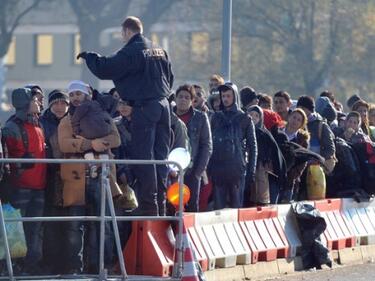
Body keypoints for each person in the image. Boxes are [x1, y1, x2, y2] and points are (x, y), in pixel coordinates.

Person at [78, 16, 173, 216]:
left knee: (144, 158)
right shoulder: (160, 49)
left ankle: (150, 208)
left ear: (126, 32)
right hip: (164, 107)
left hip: (145, 109)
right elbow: (169, 78)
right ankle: (162, 206)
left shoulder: (131, 51)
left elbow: (106, 68)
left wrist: (89, 57)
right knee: (161, 158)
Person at [57, 83, 121, 273]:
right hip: (77, 179)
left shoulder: (103, 115)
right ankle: (74, 269)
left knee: (104, 226)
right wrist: (90, 144)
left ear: (88, 95)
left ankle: (102, 267)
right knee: (75, 227)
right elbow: (64, 144)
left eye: (79, 93)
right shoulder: (67, 121)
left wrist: (101, 143)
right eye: (72, 94)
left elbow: (116, 139)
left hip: (103, 178)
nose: (75, 97)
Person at [2, 88, 46, 274]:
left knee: (34, 227)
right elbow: (6, 157)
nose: (38, 103)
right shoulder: (12, 128)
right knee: (16, 229)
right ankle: (15, 266)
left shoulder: (37, 124)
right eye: (35, 100)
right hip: (21, 187)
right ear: (26, 103)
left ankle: (31, 265)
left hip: (39, 185)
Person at [208, 82, 257, 209]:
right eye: (223, 96)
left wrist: (251, 171)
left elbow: (253, 147)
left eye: (228, 96)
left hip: (236, 169)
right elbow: (208, 143)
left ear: (235, 96)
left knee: (236, 207)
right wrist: (208, 168)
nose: (225, 99)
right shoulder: (215, 117)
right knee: (218, 208)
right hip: (218, 169)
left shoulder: (245, 118)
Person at [39, 89, 69, 274]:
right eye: (55, 103)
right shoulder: (42, 123)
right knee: (50, 223)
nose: (59, 107)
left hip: (71, 178)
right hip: (50, 178)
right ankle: (50, 263)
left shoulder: (74, 121)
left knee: (71, 224)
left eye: (62, 103)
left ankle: (68, 264)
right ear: (50, 105)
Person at [174, 84, 212, 212]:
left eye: (186, 97)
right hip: (170, 171)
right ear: (175, 98)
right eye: (180, 97)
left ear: (192, 101)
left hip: (192, 171)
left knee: (191, 207)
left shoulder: (201, 117)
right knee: (170, 206)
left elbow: (206, 145)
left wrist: (198, 172)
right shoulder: (168, 117)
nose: (183, 100)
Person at [297, 96, 336, 175]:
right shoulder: (295, 122)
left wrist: (319, 161)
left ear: (310, 110)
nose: (300, 111)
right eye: (298, 108)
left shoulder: (320, 125)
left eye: (303, 108)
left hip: (316, 170)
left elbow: (330, 149)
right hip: (299, 169)